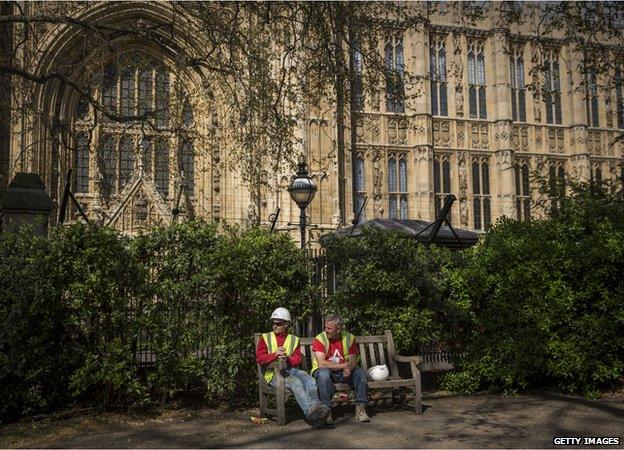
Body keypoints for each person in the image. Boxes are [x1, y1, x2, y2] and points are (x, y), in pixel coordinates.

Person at [255, 307, 330, 428]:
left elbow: (297, 359)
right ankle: (310, 412)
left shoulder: (294, 339)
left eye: (278, 323)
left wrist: (287, 358)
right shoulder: (265, 337)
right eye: (273, 323)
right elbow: (259, 358)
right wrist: (274, 355)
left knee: (308, 378)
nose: (274, 326)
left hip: (290, 369)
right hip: (273, 373)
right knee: (295, 382)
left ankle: (317, 409)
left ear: (286, 324)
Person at [311, 314, 370, 423]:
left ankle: (360, 408)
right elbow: (321, 364)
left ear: (338, 329)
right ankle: (326, 411)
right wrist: (344, 366)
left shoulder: (349, 338)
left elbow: (353, 361)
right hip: (325, 373)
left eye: (329, 328)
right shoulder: (320, 338)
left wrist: (349, 368)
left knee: (359, 372)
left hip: (343, 373)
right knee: (323, 374)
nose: (326, 330)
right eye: (325, 327)